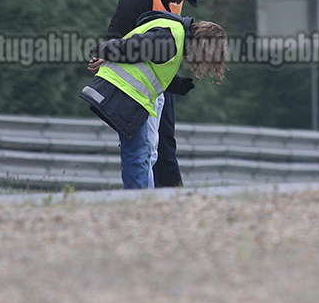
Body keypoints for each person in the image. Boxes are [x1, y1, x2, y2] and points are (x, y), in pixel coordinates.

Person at [90, 0, 217, 187]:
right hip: (132, 83)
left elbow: (154, 52)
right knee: (142, 151)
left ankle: (157, 196)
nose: (181, 0)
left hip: (144, 82)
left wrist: (172, 83)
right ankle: (151, 199)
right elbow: (136, 41)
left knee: (152, 148)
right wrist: (106, 51)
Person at [81, 11, 228, 189]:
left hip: (130, 95)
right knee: (138, 154)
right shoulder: (172, 37)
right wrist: (104, 50)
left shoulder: (176, 38)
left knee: (142, 153)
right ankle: (140, 200)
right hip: (123, 92)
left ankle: (143, 198)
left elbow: (148, 68)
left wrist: (176, 85)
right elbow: (134, 47)